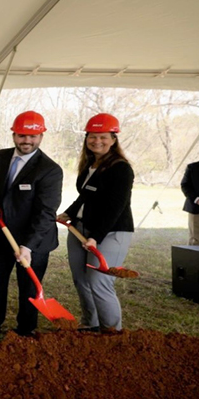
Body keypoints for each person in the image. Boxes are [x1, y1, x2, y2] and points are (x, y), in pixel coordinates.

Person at [0, 111, 63, 336]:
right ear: (14, 135)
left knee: (28, 288)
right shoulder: (1, 157)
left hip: (34, 239)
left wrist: (28, 246)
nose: (27, 140)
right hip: (2, 233)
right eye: (21, 135)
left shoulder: (49, 170)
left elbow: (46, 213)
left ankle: (26, 331)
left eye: (33, 136)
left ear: (41, 137)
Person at [58, 113, 134, 332]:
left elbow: (116, 207)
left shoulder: (121, 168)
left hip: (110, 232)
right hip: (80, 228)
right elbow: (85, 196)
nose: (97, 141)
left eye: (103, 137)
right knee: (81, 279)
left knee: (99, 281)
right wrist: (68, 213)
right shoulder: (90, 164)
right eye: (92, 136)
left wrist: (95, 237)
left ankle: (112, 332)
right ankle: (90, 324)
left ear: (113, 140)